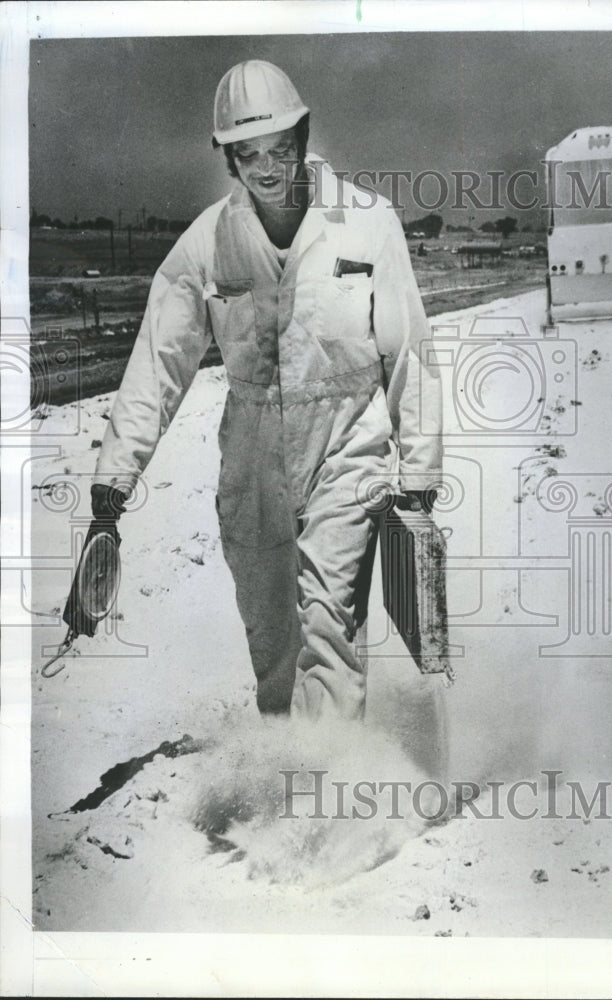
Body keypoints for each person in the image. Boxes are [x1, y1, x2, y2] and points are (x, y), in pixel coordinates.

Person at [91, 60, 443, 721]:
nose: (267, 167)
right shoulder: (207, 243)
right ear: (228, 159)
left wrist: (419, 475)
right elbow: (157, 363)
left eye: (279, 147)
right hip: (251, 463)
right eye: (247, 154)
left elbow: (409, 354)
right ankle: (291, 767)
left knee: (330, 625)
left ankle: (329, 809)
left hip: (346, 446)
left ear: (303, 138)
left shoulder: (367, 223)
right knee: (271, 641)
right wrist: (112, 486)